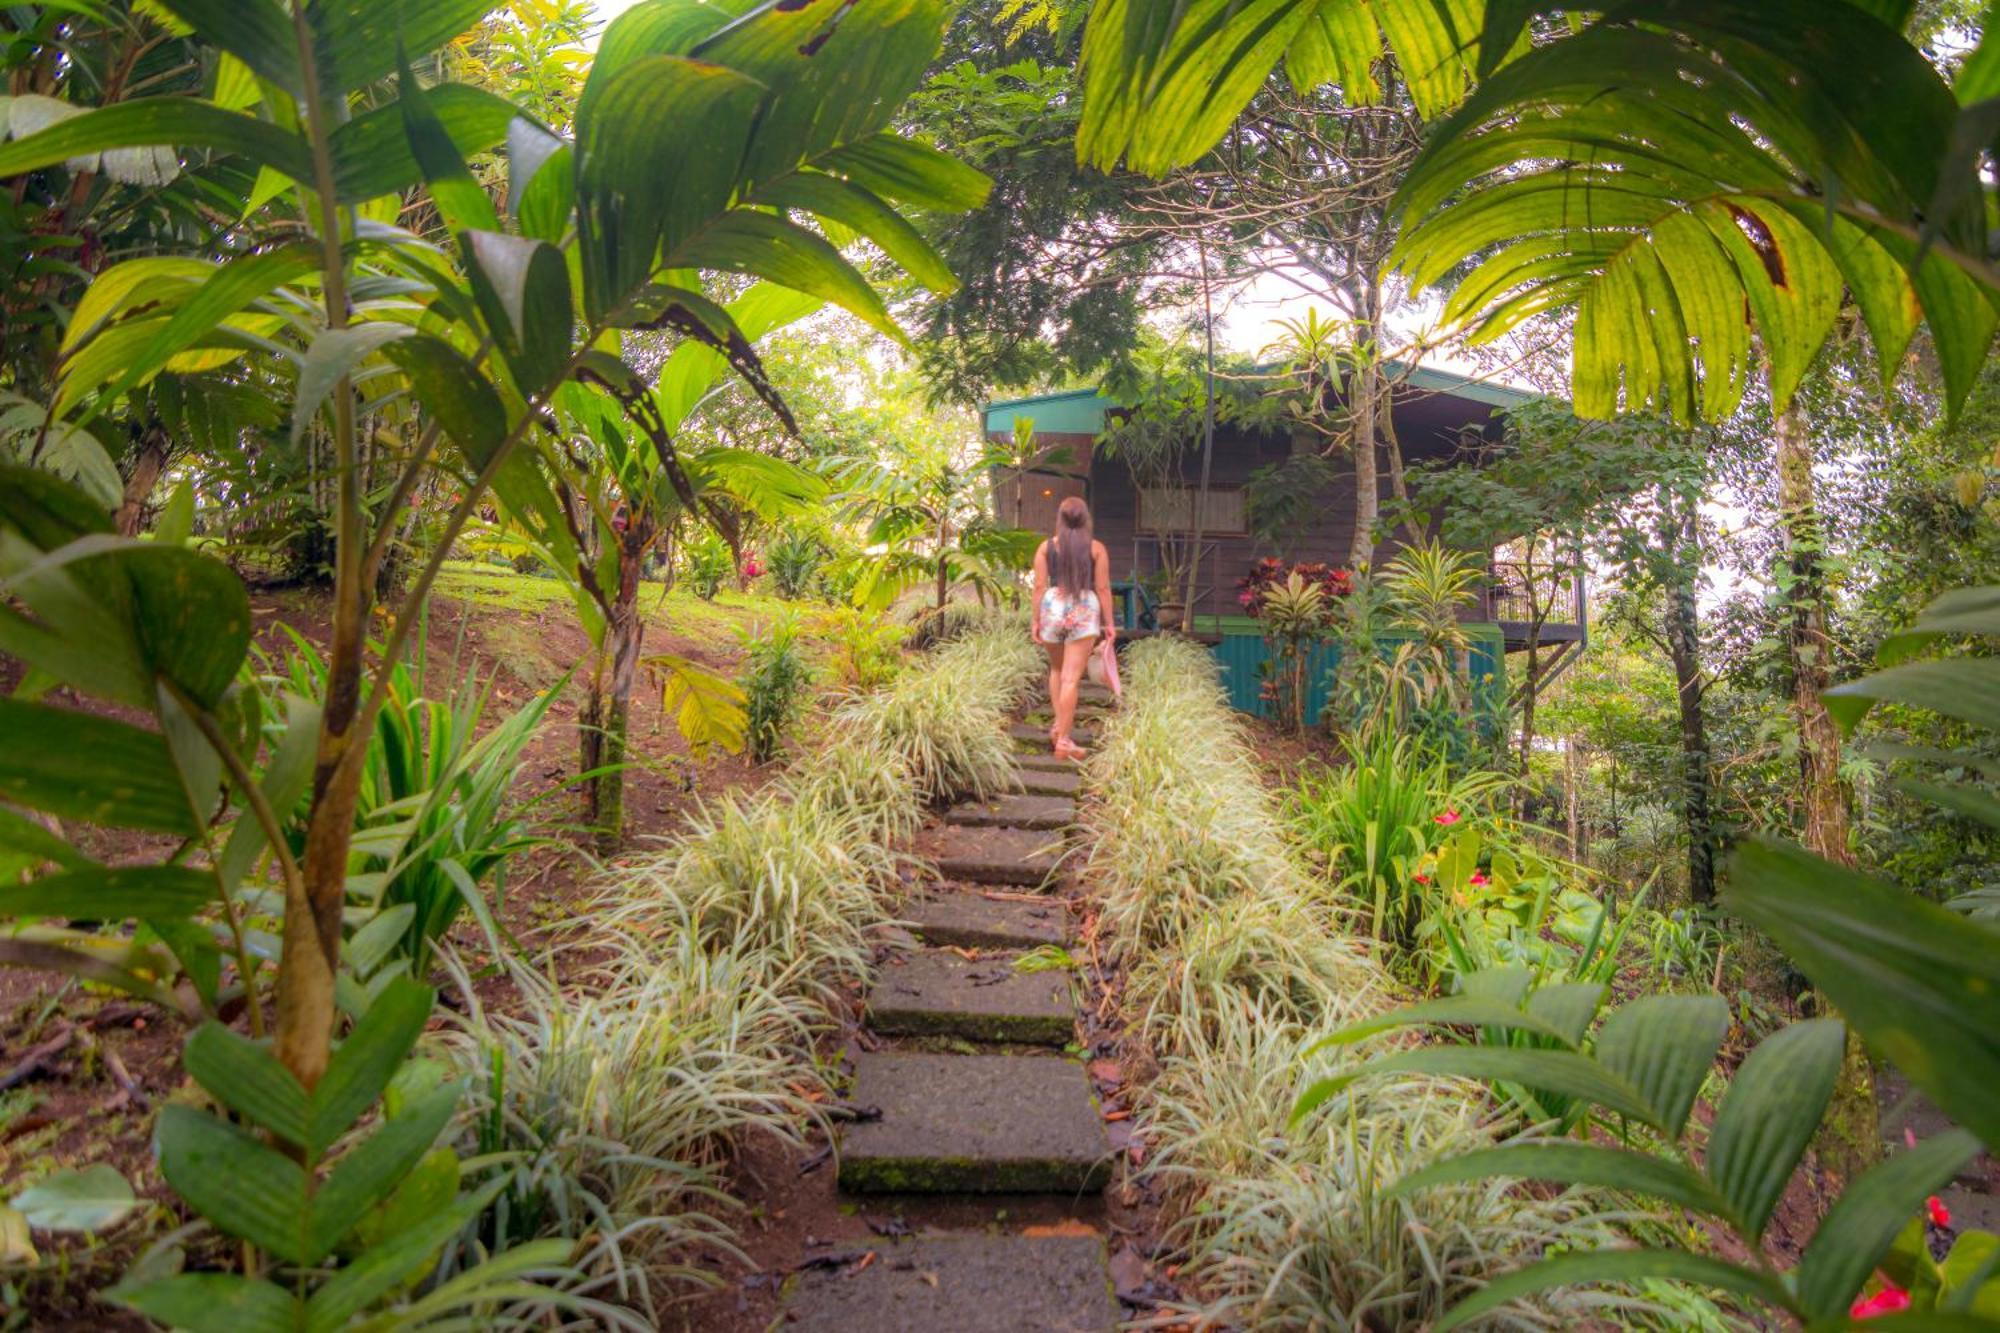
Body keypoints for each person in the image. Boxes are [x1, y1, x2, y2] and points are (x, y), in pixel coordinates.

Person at [1030, 496, 1115, 761]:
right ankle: (1065, 741)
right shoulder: (1097, 548)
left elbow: (1039, 587)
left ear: (1060, 519)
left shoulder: (1045, 548)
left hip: (1052, 608)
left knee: (1056, 670)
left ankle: (1058, 727)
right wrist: (1110, 623)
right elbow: (1102, 588)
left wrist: (1035, 620)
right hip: (1084, 609)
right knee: (1071, 678)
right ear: (1085, 518)